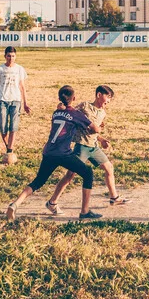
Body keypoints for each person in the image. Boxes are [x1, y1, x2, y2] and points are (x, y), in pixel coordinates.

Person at [6, 85, 102, 221]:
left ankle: (15, 204)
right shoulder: (75, 114)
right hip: (63, 153)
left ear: (59, 98)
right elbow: (95, 129)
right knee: (88, 173)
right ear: (74, 98)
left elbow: (64, 117)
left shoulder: (55, 112)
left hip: (48, 151)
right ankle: (84, 211)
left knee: (38, 181)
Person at [47, 85, 129, 211]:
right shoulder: (85, 106)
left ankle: (114, 197)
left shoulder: (102, 113)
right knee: (70, 174)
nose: (109, 101)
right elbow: (70, 111)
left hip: (94, 147)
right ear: (99, 95)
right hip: (82, 146)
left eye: (111, 98)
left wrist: (101, 140)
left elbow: (94, 130)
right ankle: (52, 202)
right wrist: (61, 107)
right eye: (108, 97)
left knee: (109, 168)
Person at [0, 46, 31, 159]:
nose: (10, 58)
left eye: (13, 56)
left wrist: (25, 103)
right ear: (5, 56)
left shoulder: (19, 69)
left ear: (15, 56)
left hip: (16, 100)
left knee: (13, 126)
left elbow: (22, 87)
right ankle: (8, 146)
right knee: (3, 127)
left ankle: (10, 150)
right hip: (2, 100)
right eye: (8, 56)